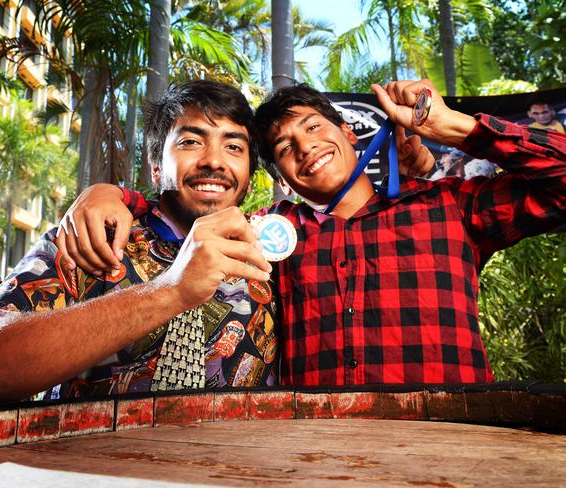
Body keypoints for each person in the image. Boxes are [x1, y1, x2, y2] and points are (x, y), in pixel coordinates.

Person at [60, 79, 566, 387]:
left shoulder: (450, 206)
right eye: (283, 146)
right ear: (281, 175)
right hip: (315, 459)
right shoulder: (268, 235)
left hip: (452, 448)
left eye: (314, 127)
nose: (303, 146)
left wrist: (451, 127)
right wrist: (110, 194)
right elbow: (190, 209)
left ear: (349, 133)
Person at [0, 80, 277, 407]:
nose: (214, 161)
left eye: (233, 147)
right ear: (156, 167)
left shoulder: (273, 256)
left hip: (232, 465)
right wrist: (171, 291)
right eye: (190, 142)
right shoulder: (91, 237)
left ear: (248, 174)